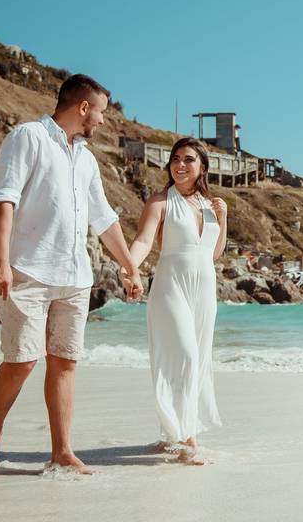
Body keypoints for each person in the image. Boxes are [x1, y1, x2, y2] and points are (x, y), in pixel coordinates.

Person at [0, 74, 143, 475]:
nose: (102, 121)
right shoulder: (27, 137)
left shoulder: (86, 159)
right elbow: (4, 199)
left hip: (75, 276)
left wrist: (130, 266)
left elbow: (104, 219)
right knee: (22, 361)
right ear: (84, 107)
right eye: (100, 112)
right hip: (29, 269)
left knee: (65, 362)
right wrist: (0, 261)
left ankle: (62, 451)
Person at [122, 137, 227, 465]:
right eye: (175, 159)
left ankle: (176, 432)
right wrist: (130, 268)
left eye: (189, 159)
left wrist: (224, 220)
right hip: (171, 285)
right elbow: (142, 240)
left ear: (203, 167)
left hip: (205, 288)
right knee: (184, 354)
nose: (180, 165)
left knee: (197, 361)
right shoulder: (160, 202)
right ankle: (187, 439)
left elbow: (215, 254)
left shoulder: (211, 205)